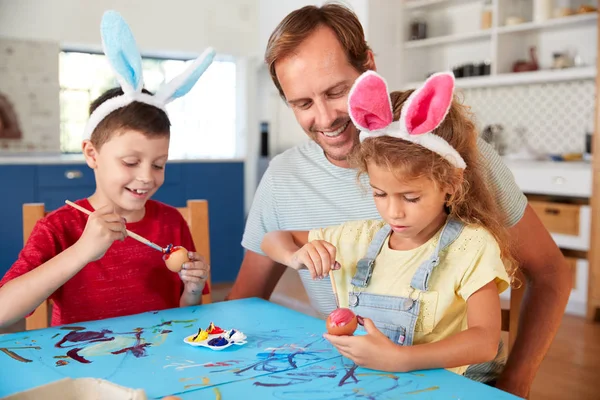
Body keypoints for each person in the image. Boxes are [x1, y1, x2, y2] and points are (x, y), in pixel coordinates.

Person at [228, 3, 571, 397]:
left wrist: (516, 383)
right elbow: (245, 302)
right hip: (360, 382)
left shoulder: (450, 157)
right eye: (302, 104)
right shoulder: (284, 177)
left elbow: (549, 273)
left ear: (369, 68)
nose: (324, 119)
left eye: (336, 91)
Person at [262, 70, 514, 377]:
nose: (393, 213)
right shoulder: (361, 237)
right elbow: (274, 238)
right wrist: (295, 255)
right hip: (362, 381)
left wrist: (403, 359)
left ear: (451, 182)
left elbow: (485, 341)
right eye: (380, 194)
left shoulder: (471, 246)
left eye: (410, 197)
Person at [0, 10, 215, 328]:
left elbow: (184, 315)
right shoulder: (59, 229)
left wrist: (193, 291)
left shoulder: (172, 222)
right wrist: (82, 251)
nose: (146, 176)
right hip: (83, 365)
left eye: (159, 164)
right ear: (92, 153)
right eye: (130, 162)